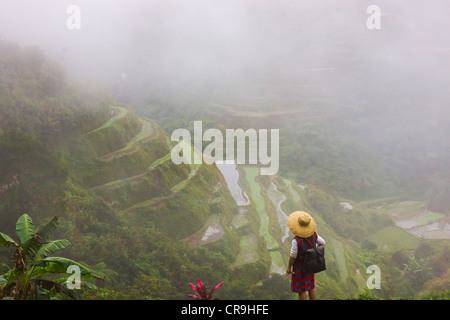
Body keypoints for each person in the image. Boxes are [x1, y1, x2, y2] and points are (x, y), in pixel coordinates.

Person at [286, 211, 325, 300]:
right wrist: (314, 251)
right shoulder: (314, 235)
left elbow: (293, 255)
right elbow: (322, 243)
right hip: (311, 265)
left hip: (300, 267)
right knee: (311, 287)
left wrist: (289, 267)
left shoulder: (296, 240)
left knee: (302, 289)